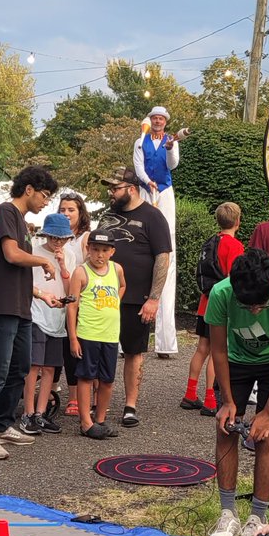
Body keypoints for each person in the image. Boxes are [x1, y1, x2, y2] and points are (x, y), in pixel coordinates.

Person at [206, 248, 269, 536]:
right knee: (226, 428)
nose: (256, 311)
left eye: (261, 305)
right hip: (235, 361)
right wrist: (227, 401)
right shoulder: (220, 294)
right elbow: (218, 351)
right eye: (249, 306)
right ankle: (227, 513)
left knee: (266, 435)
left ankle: (257, 517)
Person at [0, 166, 60, 460]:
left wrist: (40, 294)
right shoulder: (6, 212)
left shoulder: (21, 222)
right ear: (29, 189)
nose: (46, 202)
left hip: (21, 307)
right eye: (45, 195)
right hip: (0, 305)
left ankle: (2, 424)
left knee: (20, 368)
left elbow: (13, 267)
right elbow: (11, 255)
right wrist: (43, 262)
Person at [99, 166, 172, 428]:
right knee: (99, 348)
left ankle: (130, 405)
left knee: (133, 352)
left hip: (136, 298)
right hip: (103, 297)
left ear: (130, 189)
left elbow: (163, 258)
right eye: (110, 188)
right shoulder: (107, 217)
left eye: (115, 188)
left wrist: (153, 298)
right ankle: (100, 401)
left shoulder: (153, 217)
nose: (111, 193)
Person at [181, 201, 243, 415]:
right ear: (238, 222)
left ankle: (190, 394)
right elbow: (234, 279)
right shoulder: (236, 246)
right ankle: (210, 399)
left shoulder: (211, 241)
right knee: (219, 352)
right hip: (221, 306)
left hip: (204, 303)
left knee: (202, 349)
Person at [67, 230, 126, 439]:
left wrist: (115, 301)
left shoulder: (117, 269)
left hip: (110, 335)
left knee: (107, 379)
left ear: (112, 251)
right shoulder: (81, 272)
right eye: (95, 249)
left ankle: (100, 419)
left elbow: (123, 286)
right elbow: (72, 306)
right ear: (88, 249)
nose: (99, 255)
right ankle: (86, 422)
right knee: (86, 376)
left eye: (104, 250)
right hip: (88, 333)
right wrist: (73, 337)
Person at [133, 105, 181, 357]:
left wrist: (172, 148)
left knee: (167, 250)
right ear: (150, 120)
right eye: (155, 118)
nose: (158, 121)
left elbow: (172, 165)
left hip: (164, 191)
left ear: (165, 121)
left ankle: (165, 343)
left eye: (162, 118)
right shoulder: (140, 141)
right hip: (145, 189)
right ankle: (127, 340)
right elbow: (138, 166)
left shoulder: (170, 140)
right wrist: (145, 181)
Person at [18, 212, 73, 436]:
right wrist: (41, 294)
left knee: (50, 366)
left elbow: (71, 290)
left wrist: (62, 265)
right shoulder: (34, 252)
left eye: (61, 238)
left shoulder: (69, 256)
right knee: (33, 366)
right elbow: (24, 282)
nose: (57, 241)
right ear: (45, 235)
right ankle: (27, 413)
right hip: (37, 314)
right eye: (53, 237)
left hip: (57, 317)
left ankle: (41, 414)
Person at [56, 192, 91, 415]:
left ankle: (80, 396)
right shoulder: (54, 236)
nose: (67, 214)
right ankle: (67, 393)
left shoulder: (85, 238)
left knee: (81, 346)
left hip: (78, 298)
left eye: (71, 210)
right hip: (56, 295)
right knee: (61, 347)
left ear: (80, 213)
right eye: (63, 210)